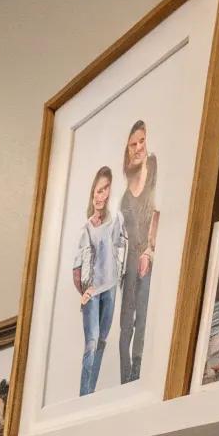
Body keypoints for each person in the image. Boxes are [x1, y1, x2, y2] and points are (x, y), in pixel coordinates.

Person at [73, 166, 127, 396]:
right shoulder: (86, 228)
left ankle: (90, 395)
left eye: (106, 190)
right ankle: (84, 395)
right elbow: (77, 266)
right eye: (98, 190)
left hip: (111, 288)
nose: (101, 195)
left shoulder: (116, 220)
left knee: (103, 340)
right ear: (92, 193)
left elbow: (122, 246)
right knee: (92, 341)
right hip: (93, 293)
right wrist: (83, 291)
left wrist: (120, 277)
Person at [118, 121, 160, 385]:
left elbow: (158, 213)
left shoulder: (155, 172)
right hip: (129, 262)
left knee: (142, 318)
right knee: (126, 325)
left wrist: (150, 249)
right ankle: (125, 381)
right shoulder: (124, 193)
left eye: (141, 141)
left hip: (148, 256)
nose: (138, 148)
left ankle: (138, 376)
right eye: (133, 144)